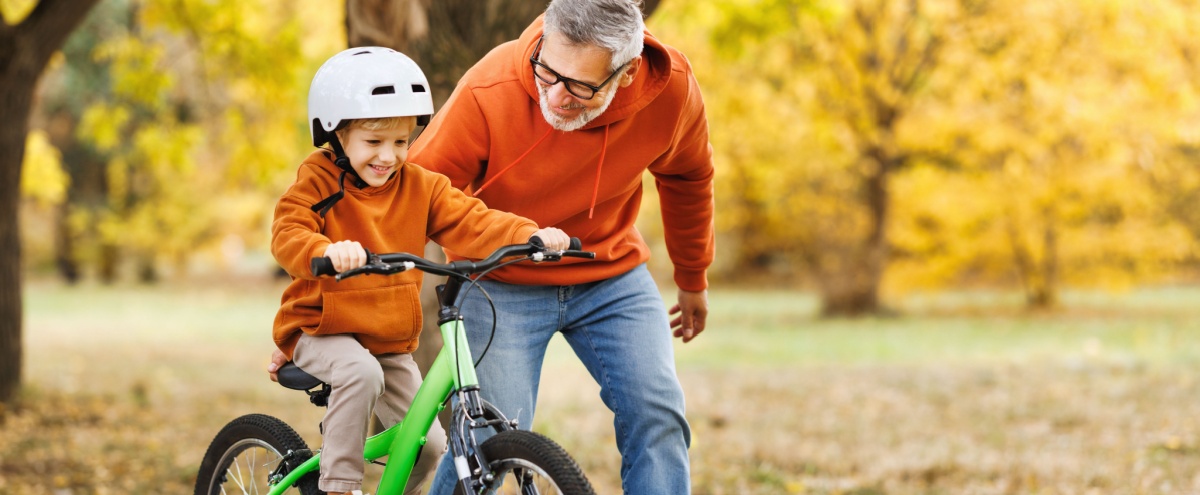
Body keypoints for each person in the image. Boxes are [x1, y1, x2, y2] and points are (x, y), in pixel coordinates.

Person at [413, 0, 714, 492]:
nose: (554, 96)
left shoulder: (671, 90)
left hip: (609, 273)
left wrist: (693, 278)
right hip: (498, 280)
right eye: (548, 71)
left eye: (580, 85)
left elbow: (689, 176)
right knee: (491, 436)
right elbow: (414, 196)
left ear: (628, 70)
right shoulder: (492, 87)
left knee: (656, 413)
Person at [270, 46, 571, 495]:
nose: (389, 156)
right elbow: (288, 229)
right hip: (319, 327)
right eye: (373, 142)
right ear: (336, 134)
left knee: (429, 446)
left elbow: (472, 220)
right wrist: (325, 250)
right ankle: (338, 485)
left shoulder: (420, 185)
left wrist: (529, 235)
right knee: (360, 374)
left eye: (400, 142)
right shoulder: (318, 179)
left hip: (388, 341)